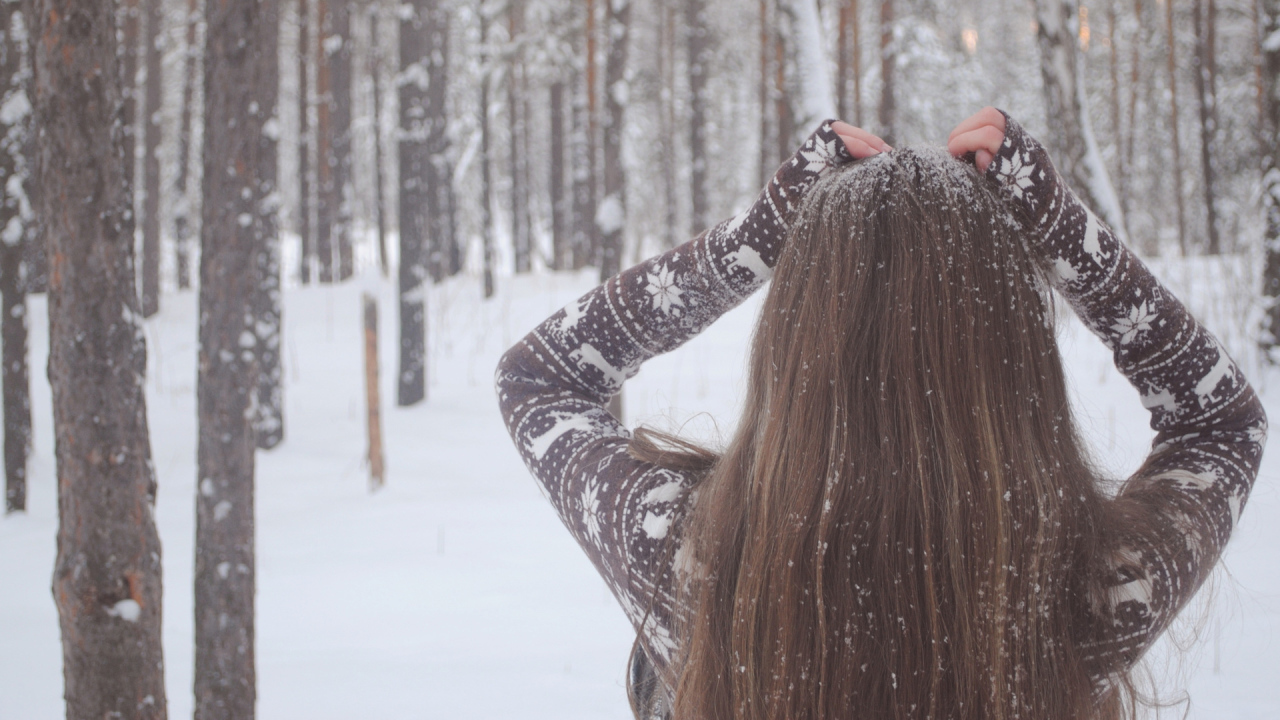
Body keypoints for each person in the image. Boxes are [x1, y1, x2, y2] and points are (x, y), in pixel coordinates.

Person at [495, 107, 1267, 720]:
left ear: (794, 350)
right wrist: (1062, 231)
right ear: (1012, 365)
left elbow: (541, 381)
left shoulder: (695, 565)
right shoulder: (1078, 598)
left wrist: (757, 237)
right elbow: (1219, 423)